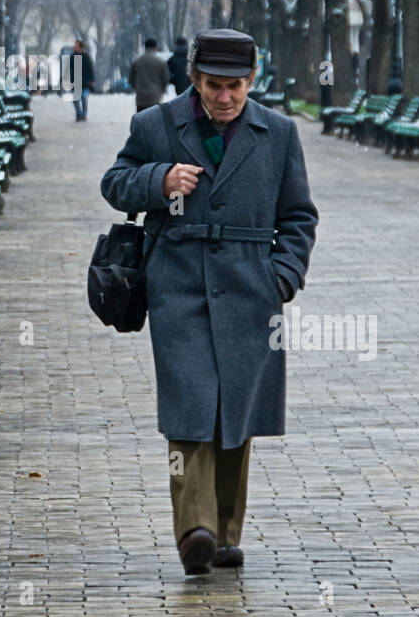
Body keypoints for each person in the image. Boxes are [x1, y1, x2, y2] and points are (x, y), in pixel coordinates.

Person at [100, 29, 318, 576]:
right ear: (194, 80)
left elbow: (298, 218)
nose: (225, 98)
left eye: (237, 87)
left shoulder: (279, 133)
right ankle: (194, 530)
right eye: (215, 86)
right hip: (177, 284)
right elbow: (115, 182)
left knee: (235, 414)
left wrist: (282, 276)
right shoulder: (156, 125)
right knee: (190, 407)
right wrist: (159, 179)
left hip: (251, 290)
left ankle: (224, 535)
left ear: (251, 82)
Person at [128, 37, 169, 111]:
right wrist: (162, 91)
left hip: (141, 98)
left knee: (142, 120)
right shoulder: (161, 62)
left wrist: (138, 87)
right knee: (154, 120)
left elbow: (131, 79)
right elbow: (166, 79)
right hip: (155, 97)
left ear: (145, 47)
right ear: (155, 48)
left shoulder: (137, 61)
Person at [72, 38, 94, 120]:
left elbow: (90, 68)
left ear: (80, 47)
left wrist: (92, 80)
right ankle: (79, 114)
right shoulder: (72, 56)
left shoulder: (86, 56)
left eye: (76, 45)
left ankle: (84, 114)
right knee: (75, 100)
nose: (74, 46)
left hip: (85, 82)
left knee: (84, 98)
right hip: (75, 82)